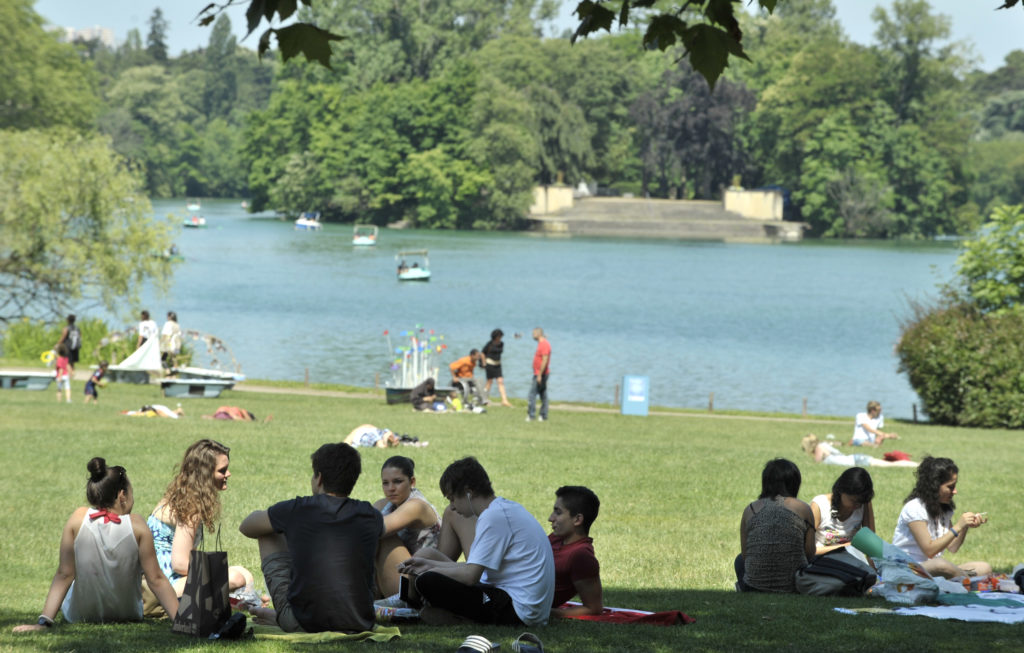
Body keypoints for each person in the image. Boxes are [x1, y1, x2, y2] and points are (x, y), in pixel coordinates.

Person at [12, 457, 179, 632]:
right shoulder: (137, 525)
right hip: (127, 612)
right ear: (122, 495)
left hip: (80, 613)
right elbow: (156, 579)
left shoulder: (78, 518)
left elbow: (65, 573)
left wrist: (43, 622)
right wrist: (181, 623)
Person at [240, 442, 383, 633]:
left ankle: (283, 616)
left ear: (319, 478)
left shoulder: (298, 509)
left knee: (266, 532)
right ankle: (283, 616)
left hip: (306, 624)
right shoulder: (371, 515)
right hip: (359, 622)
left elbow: (247, 527)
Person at [398, 457, 555, 627]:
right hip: (515, 600)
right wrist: (427, 564)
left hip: (519, 611)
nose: (451, 507)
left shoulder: (493, 517)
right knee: (427, 558)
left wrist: (430, 569)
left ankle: (461, 620)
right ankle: (445, 613)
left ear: (468, 492)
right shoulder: (502, 509)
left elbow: (470, 576)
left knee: (427, 581)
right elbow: (474, 568)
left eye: (452, 499)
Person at [143, 440, 256, 613]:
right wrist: (215, 569)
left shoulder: (182, 495)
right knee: (236, 577)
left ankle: (248, 603)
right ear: (205, 474)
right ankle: (246, 606)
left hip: (160, 580)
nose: (229, 474)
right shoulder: (191, 507)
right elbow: (180, 564)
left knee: (244, 573)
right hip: (164, 586)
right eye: (222, 470)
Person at [892, 456, 992, 579]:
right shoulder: (914, 508)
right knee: (941, 565)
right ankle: (964, 578)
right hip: (908, 568)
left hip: (931, 568)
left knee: (984, 567)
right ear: (935, 486)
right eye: (950, 487)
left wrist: (965, 527)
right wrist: (958, 526)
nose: (955, 491)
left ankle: (960, 577)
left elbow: (952, 547)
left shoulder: (943, 507)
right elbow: (929, 550)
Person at [735, 459, 815, 593]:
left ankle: (743, 586)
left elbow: (745, 554)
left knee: (739, 560)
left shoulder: (750, 510)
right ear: (795, 483)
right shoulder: (803, 508)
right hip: (794, 587)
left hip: (754, 587)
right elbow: (810, 553)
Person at [372, 456, 441, 597]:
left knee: (381, 535)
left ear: (412, 482)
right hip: (396, 576)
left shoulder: (416, 506)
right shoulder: (383, 504)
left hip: (417, 586)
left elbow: (372, 529)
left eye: (397, 482)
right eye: (385, 483)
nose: (391, 488)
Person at [548, 486, 603, 617]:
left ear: (577, 519)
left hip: (513, 602)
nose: (550, 518)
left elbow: (594, 608)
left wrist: (549, 613)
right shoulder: (556, 538)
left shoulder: (581, 555)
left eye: (558, 512)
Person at [810, 467, 876, 556]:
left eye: (861, 502)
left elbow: (871, 544)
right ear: (841, 490)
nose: (858, 506)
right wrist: (846, 547)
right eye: (854, 501)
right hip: (821, 561)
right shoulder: (819, 506)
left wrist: (874, 569)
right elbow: (806, 550)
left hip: (851, 560)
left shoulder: (864, 503)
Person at [801, 434, 918, 468]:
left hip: (857, 461)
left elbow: (817, 463)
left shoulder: (819, 448)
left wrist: (807, 464)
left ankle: (915, 465)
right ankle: (915, 464)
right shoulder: (824, 444)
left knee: (890, 465)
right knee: (889, 465)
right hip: (856, 459)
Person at [482, 329, 512, 407]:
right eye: (499, 336)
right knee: (489, 382)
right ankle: (484, 398)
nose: (500, 337)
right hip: (489, 364)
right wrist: (484, 363)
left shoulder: (502, 343)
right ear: (495, 336)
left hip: (498, 365)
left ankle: (504, 400)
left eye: (501, 336)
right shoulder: (489, 344)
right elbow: (482, 353)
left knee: (500, 381)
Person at [526, 327, 550, 422]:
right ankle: (543, 415)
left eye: (533, 333)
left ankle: (532, 415)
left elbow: (545, 360)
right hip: (538, 373)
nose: (532, 335)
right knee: (543, 394)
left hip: (541, 374)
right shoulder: (541, 344)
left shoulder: (544, 344)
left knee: (532, 394)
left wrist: (540, 374)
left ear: (538, 334)